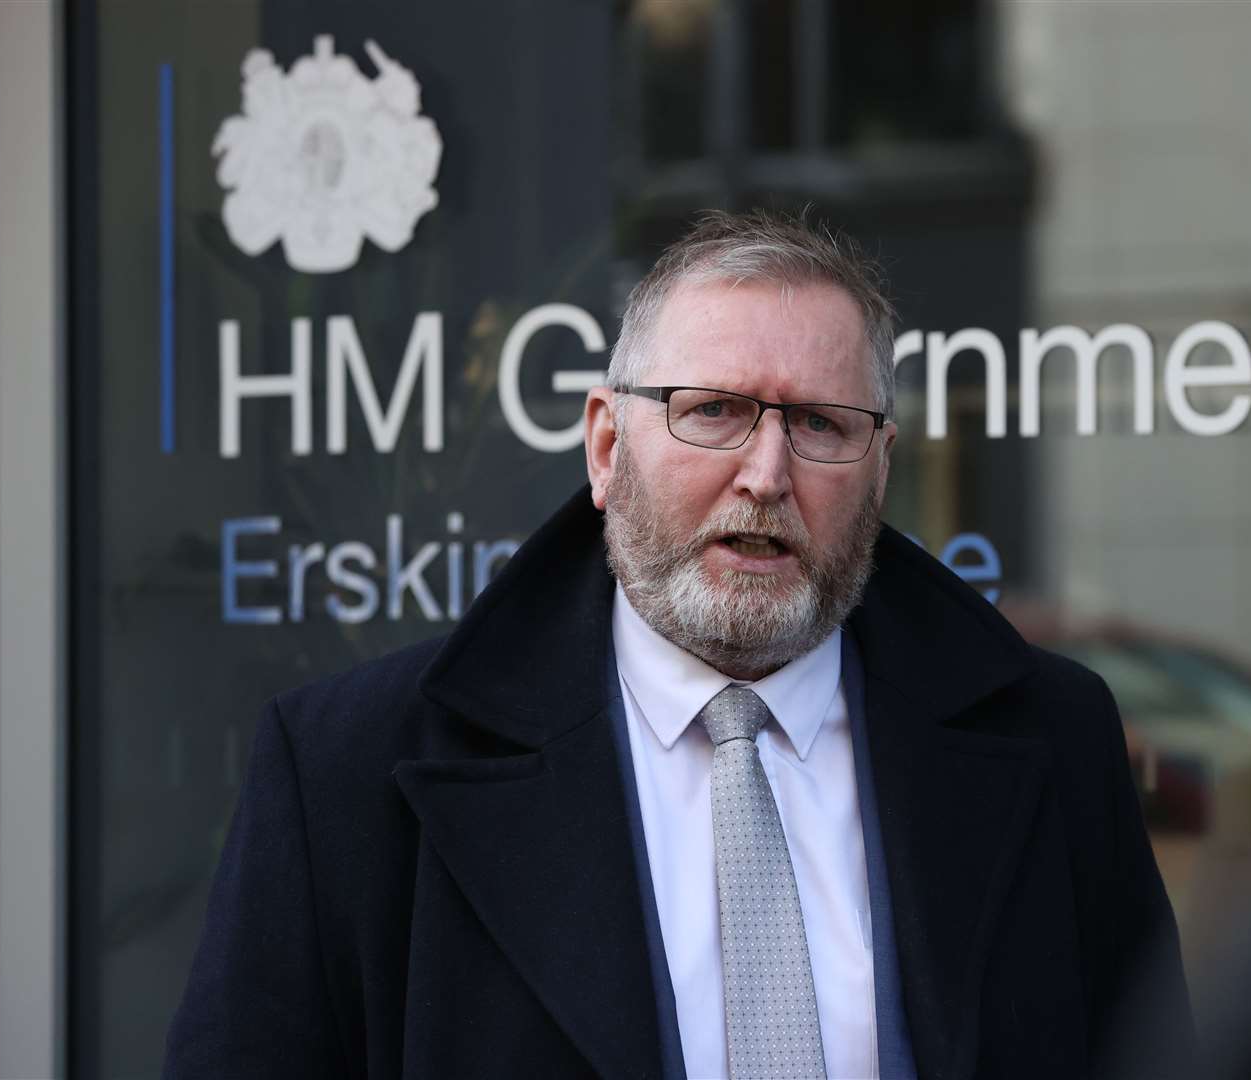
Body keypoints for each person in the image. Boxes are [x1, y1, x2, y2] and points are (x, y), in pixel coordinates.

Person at [164, 209, 1192, 1079]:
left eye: (822, 426)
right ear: (608, 447)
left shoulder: (1053, 740)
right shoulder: (348, 771)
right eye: (715, 413)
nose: (766, 474)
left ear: (879, 470)